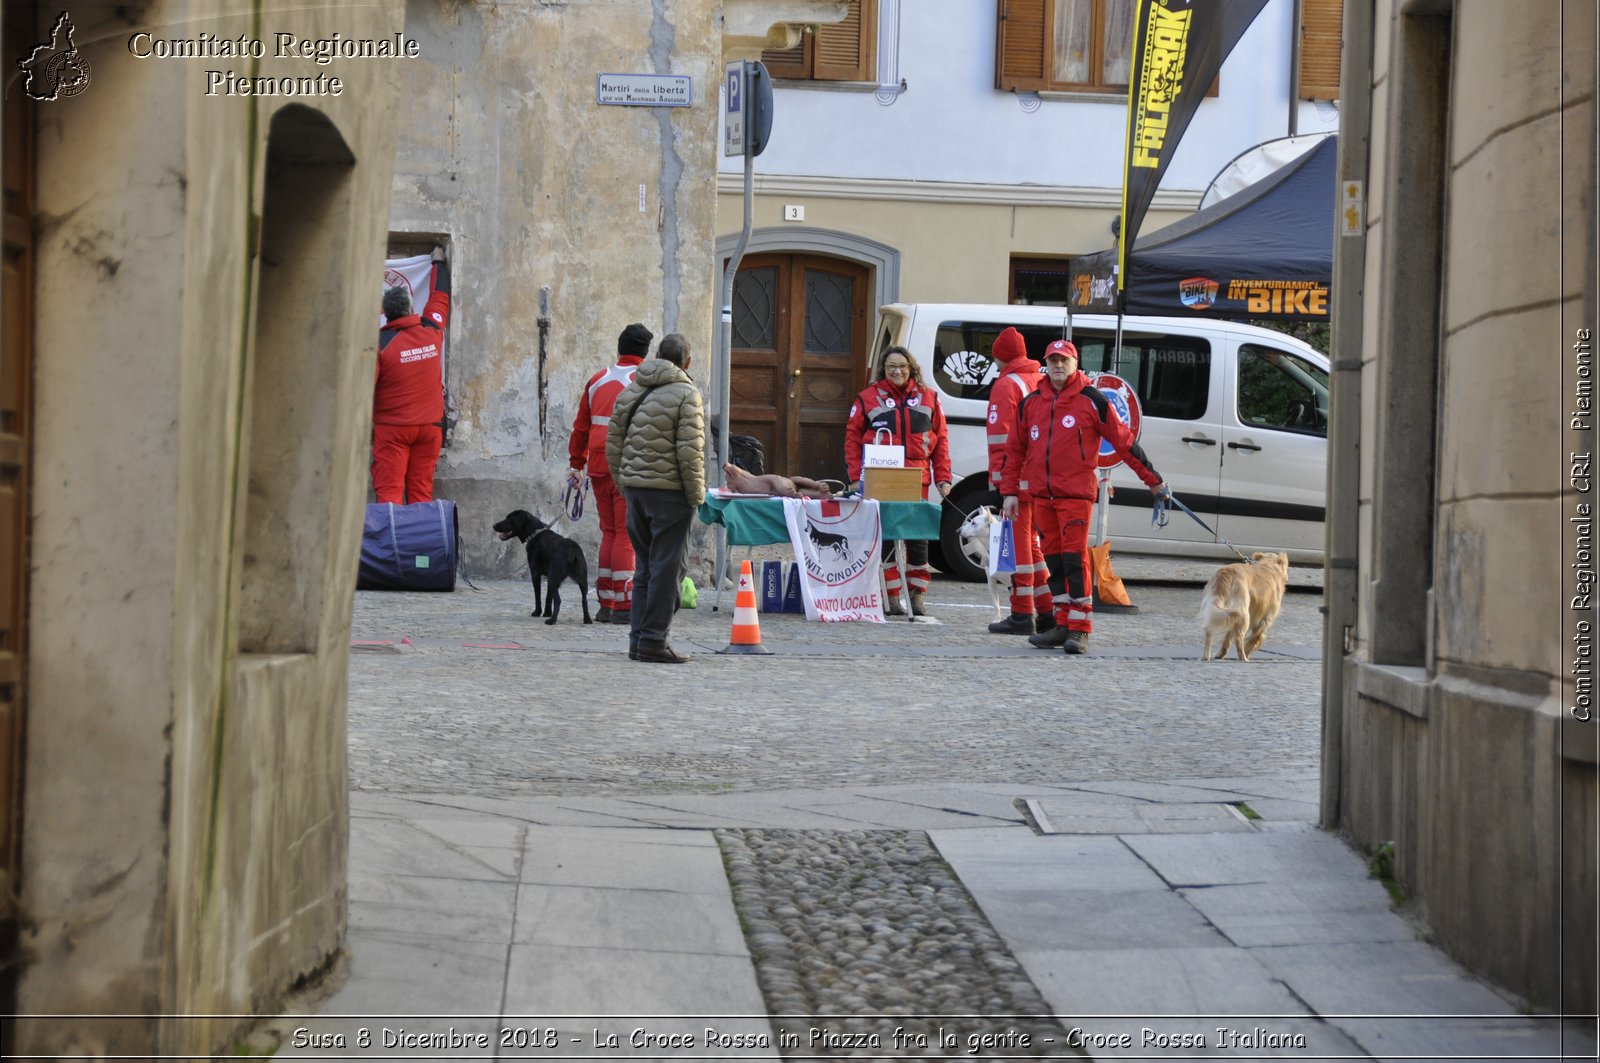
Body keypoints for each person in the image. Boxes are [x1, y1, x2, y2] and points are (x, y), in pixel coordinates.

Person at [1000, 340, 1168, 655]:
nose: (1058, 366)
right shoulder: (1031, 402)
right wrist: (1009, 491)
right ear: (1045, 364)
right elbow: (1014, 451)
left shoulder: (1093, 401)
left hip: (1074, 495)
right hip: (1041, 496)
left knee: (1074, 559)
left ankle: (1080, 629)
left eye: (1064, 360)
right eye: (1053, 360)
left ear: (1076, 364)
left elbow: (1124, 443)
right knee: (1053, 561)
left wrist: (1153, 480)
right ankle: (1062, 624)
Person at [606, 332, 706, 664]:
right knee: (667, 570)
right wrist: (696, 496)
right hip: (670, 494)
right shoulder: (686, 394)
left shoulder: (631, 390)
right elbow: (690, 452)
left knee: (646, 569)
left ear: (658, 355)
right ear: (686, 362)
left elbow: (614, 444)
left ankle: (638, 641)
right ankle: (653, 640)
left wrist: (626, 484)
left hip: (635, 491)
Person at [844, 346, 952, 616]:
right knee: (888, 538)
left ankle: (917, 595)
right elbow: (852, 440)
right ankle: (891, 597)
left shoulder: (929, 398)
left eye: (902, 366)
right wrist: (857, 478)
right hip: (882, 478)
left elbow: (941, 444)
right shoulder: (866, 398)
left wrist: (943, 478)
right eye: (891, 366)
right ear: (884, 369)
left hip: (918, 480)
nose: (897, 371)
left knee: (918, 539)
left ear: (911, 367)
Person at [570, 323, 651, 624]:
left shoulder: (597, 379)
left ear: (619, 348)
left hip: (599, 468)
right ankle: (626, 603)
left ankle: (606, 603)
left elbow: (581, 427)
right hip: (627, 465)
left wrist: (577, 464)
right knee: (626, 535)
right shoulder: (641, 382)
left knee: (609, 532)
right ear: (646, 353)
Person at [984, 327, 1051, 635]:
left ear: (1000, 355)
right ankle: (1047, 607)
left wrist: (1001, 482)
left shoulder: (1005, 385)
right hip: (1040, 475)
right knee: (1034, 545)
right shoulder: (1039, 378)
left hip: (1018, 477)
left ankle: (1023, 613)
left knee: (1021, 545)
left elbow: (1001, 439)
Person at [373, 246, 451, 504]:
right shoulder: (432, 329)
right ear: (410, 308)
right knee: (421, 493)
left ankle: (391, 544)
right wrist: (439, 264)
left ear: (386, 313)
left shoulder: (380, 343)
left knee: (389, 494)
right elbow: (440, 297)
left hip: (393, 429)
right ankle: (419, 544)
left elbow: (365, 389)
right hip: (429, 429)